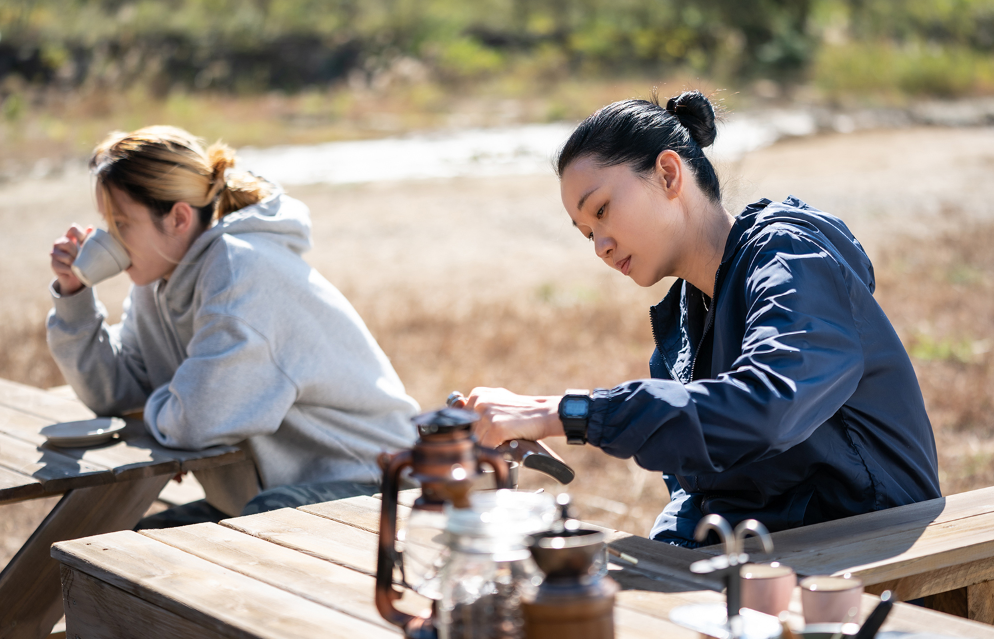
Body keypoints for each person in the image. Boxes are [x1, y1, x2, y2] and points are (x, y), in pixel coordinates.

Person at [463, 91, 941, 547]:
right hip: (772, 555)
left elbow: (766, 409)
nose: (601, 246)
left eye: (603, 211)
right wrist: (665, 551)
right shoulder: (682, 325)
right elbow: (700, 494)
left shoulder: (792, 259)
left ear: (669, 174)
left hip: (869, 546)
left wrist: (561, 413)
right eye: (587, 232)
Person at [47, 125, 420, 527]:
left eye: (121, 223)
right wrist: (74, 297)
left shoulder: (240, 270)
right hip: (267, 494)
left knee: (254, 533)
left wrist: (155, 411)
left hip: (372, 481)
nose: (110, 239)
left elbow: (196, 420)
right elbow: (112, 392)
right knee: (122, 547)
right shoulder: (156, 283)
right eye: (106, 223)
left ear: (178, 218)